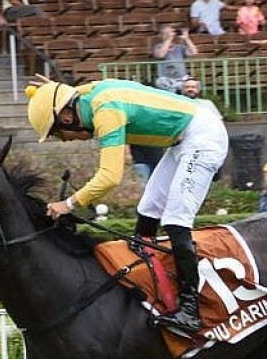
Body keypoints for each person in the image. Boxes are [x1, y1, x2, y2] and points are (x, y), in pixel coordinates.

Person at [27, 76, 230, 334]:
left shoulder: (106, 112)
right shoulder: (88, 96)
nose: (66, 140)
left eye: (58, 133)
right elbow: (75, 91)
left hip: (203, 137)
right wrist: (53, 91)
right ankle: (149, 279)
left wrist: (68, 203)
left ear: (67, 118)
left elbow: (110, 177)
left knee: (176, 219)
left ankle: (192, 311)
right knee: (148, 208)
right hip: (184, 138)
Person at [152, 24, 197, 91]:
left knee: (193, 83)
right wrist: (168, 39)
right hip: (166, 79)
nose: (169, 35)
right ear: (161, 35)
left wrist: (187, 39)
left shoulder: (179, 47)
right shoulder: (158, 46)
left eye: (170, 33)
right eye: (166, 33)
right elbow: (161, 55)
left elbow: (194, 53)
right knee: (160, 83)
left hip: (181, 79)